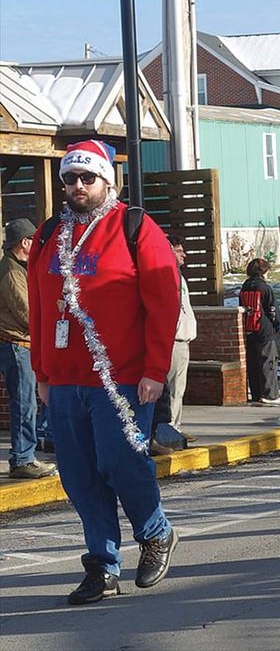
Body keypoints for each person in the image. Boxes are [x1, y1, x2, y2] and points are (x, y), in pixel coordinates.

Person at [28, 139, 180, 604]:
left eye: (87, 177)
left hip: (123, 379)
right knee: (78, 475)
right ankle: (102, 564)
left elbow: (164, 303)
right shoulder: (49, 234)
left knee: (119, 461)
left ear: (107, 181)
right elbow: (38, 306)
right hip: (65, 379)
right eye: (70, 178)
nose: (78, 185)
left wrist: (155, 369)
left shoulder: (135, 227)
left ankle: (155, 531)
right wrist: (41, 371)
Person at [1, 218, 57, 479]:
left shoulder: (15, 268)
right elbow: (26, 313)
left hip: (20, 344)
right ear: (24, 242)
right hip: (16, 344)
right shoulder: (11, 272)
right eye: (33, 240)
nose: (37, 244)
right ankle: (23, 458)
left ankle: (25, 455)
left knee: (26, 403)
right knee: (24, 404)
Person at [151, 235, 197, 453]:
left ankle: (175, 427)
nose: (183, 255)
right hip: (173, 340)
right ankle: (168, 430)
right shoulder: (166, 275)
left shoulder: (179, 276)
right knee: (170, 390)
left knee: (178, 389)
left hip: (182, 340)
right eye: (179, 250)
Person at [239, 258, 280, 404]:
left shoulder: (244, 287)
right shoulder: (265, 288)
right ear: (263, 272)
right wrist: (275, 326)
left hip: (249, 328)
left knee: (253, 362)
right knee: (268, 362)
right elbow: (272, 309)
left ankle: (256, 393)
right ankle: (270, 394)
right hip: (264, 329)